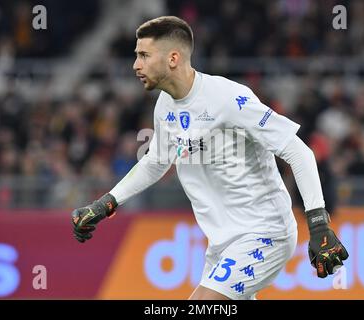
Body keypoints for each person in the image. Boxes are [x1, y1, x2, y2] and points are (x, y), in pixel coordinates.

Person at [71, 16, 349, 300]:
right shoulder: (165, 106)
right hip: (221, 243)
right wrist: (107, 202)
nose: (136, 65)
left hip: (264, 232)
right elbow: (156, 161)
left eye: (144, 55)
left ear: (173, 58)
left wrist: (318, 223)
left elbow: (299, 152)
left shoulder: (229, 98)